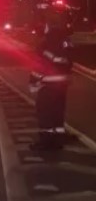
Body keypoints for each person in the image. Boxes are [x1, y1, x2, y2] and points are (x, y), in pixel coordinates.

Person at [29, 20, 73, 150]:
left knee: (44, 112)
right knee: (57, 112)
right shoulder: (66, 41)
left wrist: (33, 81)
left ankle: (46, 141)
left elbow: (39, 65)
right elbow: (68, 62)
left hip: (48, 83)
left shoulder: (44, 44)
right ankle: (58, 138)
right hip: (63, 83)